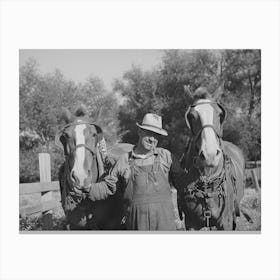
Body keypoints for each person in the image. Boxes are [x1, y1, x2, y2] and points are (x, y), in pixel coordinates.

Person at [82, 113, 188, 230]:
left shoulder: (166, 156)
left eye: (156, 136)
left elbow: (183, 183)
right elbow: (108, 186)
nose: (152, 139)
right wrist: (88, 188)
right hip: (137, 225)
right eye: (149, 133)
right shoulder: (125, 160)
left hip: (165, 226)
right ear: (140, 131)